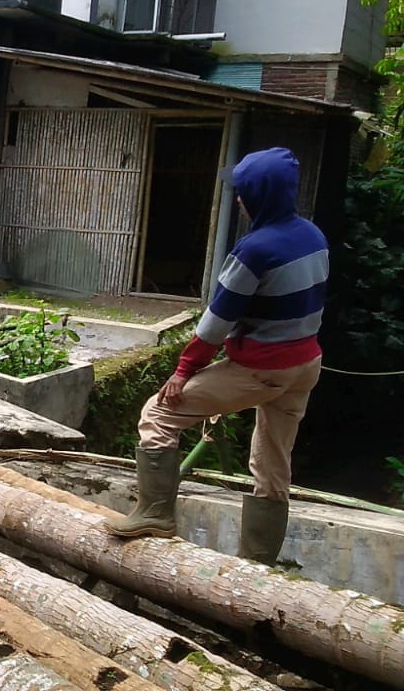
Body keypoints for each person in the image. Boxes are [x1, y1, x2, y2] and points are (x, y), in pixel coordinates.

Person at [104, 148, 327, 565]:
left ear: (258, 196)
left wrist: (184, 371)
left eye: (242, 192)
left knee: (158, 414)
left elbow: (215, 323)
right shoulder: (313, 236)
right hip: (305, 365)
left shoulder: (254, 251)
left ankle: (154, 514)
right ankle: (257, 561)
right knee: (273, 460)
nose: (238, 200)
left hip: (263, 369)